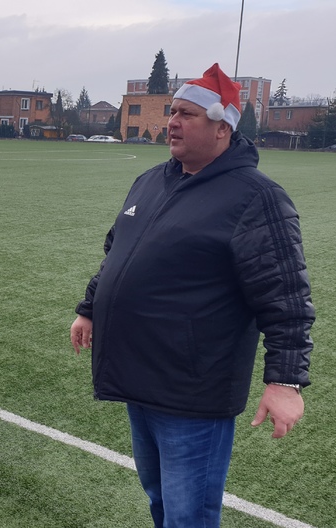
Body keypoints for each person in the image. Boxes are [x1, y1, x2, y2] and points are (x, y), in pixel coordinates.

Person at [70, 63, 315, 527]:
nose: (173, 123)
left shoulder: (255, 197)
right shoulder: (151, 180)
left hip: (192, 390)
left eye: (187, 114)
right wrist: (90, 308)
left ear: (222, 128)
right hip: (141, 375)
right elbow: (118, 252)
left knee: (189, 515)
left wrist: (285, 381)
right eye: (172, 112)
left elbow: (286, 295)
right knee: (160, 499)